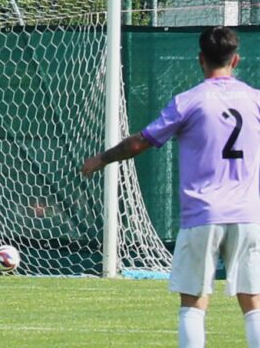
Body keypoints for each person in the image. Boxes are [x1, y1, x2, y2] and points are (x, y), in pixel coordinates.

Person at [81, 26, 260, 348]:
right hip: (248, 215)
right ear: (236, 60)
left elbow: (139, 143)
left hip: (202, 214)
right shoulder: (255, 100)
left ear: (200, 59)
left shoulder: (189, 101)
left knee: (193, 303)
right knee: (253, 302)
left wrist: (102, 159)